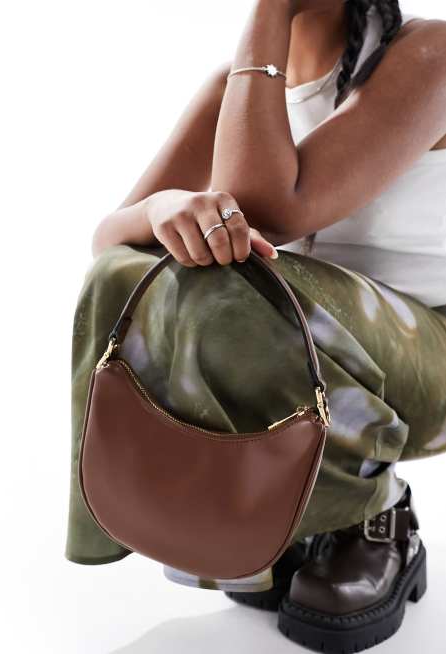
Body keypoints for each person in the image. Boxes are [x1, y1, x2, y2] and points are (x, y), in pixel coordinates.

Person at [65, 1, 446, 652]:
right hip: (310, 345)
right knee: (130, 276)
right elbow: (111, 247)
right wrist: (164, 208)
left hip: (428, 361)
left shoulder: (428, 54)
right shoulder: (239, 85)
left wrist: (270, 11)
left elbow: (268, 207)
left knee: (228, 278)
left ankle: (375, 517)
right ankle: (268, 506)